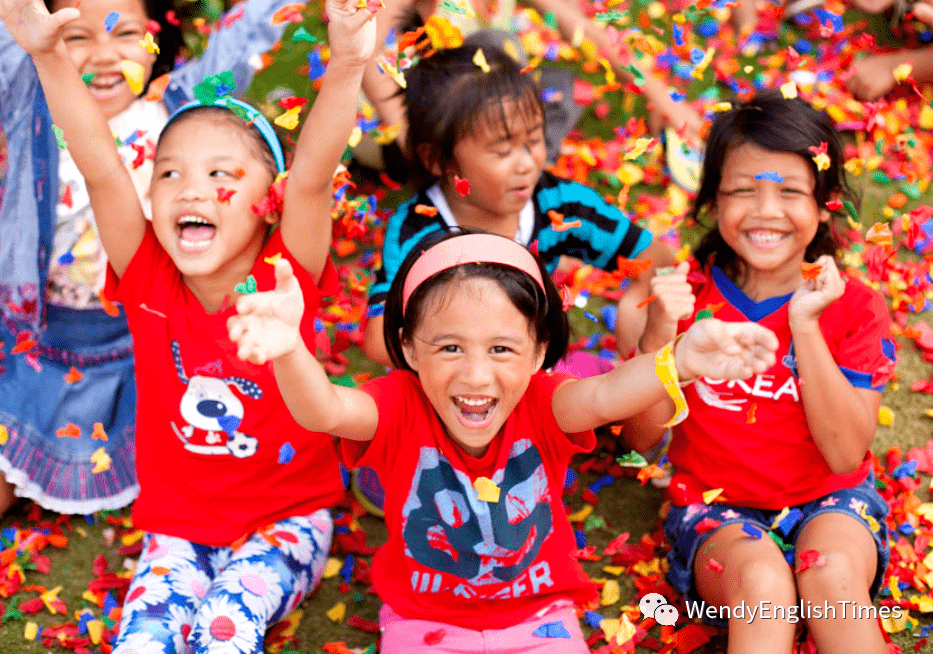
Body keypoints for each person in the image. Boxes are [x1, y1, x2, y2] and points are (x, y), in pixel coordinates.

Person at [0, 0, 377, 650]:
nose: (191, 189)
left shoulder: (286, 271)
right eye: (168, 173)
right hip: (177, 527)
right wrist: (47, 55)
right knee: (143, 638)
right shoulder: (148, 277)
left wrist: (347, 64)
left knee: (225, 627)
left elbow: (314, 176)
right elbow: (99, 164)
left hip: (287, 520)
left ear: (269, 203)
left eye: (221, 175)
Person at [227, 228, 778, 653]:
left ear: (539, 353)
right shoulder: (395, 406)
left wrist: (678, 359)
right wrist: (289, 350)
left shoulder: (546, 402)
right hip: (425, 625)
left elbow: (610, 393)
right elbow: (323, 409)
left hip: (541, 620)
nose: (475, 376)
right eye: (449, 348)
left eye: (501, 350)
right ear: (409, 349)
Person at [0, 0, 304, 516]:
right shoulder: (30, 96)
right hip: (36, 338)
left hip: (138, 350)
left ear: (157, 39)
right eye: (77, 37)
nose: (104, 56)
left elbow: (239, 42)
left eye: (127, 35)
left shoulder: (181, 109)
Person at [632, 90, 896, 653]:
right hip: (716, 511)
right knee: (763, 588)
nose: (766, 211)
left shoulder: (856, 307)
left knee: (829, 576)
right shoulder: (687, 295)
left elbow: (846, 456)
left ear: (825, 204)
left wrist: (804, 326)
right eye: (743, 190)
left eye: (790, 192)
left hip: (832, 500)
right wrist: (658, 333)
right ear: (714, 200)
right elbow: (642, 437)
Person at [362, 43, 679, 368]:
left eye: (533, 141)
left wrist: (633, 305)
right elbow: (378, 338)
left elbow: (656, 258)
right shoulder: (418, 231)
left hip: (535, 372)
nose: (527, 164)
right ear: (436, 159)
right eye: (502, 151)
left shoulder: (560, 205)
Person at [359, 0, 705, 174]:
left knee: (559, 90)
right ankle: (498, 181)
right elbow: (369, 60)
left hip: (480, 108)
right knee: (497, 46)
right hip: (408, 126)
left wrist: (663, 98)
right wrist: (418, 144)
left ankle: (511, 172)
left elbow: (585, 31)